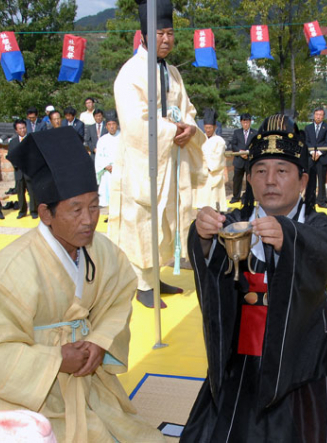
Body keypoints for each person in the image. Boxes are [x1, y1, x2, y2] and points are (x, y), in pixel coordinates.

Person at [0, 128, 165, 442]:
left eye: (94, 206)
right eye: (76, 209)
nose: (88, 220)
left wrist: (100, 341)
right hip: (32, 397)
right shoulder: (9, 269)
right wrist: (55, 360)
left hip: (89, 381)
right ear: (46, 213)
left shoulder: (103, 251)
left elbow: (120, 295)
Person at [181, 114, 327, 443]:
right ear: (249, 180)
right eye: (260, 171)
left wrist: (288, 235)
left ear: (302, 180)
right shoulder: (236, 221)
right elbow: (208, 265)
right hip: (240, 360)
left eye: (281, 171)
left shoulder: (317, 226)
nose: (270, 180)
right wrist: (201, 235)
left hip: (296, 364)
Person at [109, 0, 206, 308]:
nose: (166, 39)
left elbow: (187, 110)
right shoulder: (130, 74)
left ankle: (155, 277)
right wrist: (170, 131)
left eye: (170, 33)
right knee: (142, 218)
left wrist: (189, 127)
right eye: (160, 33)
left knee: (165, 221)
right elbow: (134, 122)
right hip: (143, 162)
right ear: (145, 36)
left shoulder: (174, 73)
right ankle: (140, 283)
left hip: (171, 161)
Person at [197, 108, 227, 211]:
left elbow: (218, 158)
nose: (208, 130)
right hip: (202, 174)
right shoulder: (201, 139)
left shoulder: (220, 141)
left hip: (213, 174)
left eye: (210, 127)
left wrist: (208, 167)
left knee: (214, 202)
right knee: (202, 202)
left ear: (214, 127)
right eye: (206, 127)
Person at [8, 119, 38, 219]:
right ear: (16, 130)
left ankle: (34, 210)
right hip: (19, 171)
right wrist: (17, 165)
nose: (23, 130)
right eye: (20, 128)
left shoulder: (31, 140)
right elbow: (11, 156)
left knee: (32, 192)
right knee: (20, 193)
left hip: (29, 171)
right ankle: (22, 211)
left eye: (24, 128)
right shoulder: (13, 142)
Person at [305, 106, 327, 208]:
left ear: (323, 116)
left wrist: (319, 153)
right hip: (311, 157)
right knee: (311, 179)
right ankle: (310, 199)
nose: (318, 117)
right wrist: (312, 152)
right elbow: (306, 141)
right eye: (317, 114)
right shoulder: (308, 128)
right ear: (314, 115)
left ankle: (321, 200)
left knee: (321, 180)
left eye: (321, 115)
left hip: (322, 157)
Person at [228, 113, 257, 203]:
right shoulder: (237, 132)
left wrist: (248, 152)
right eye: (244, 122)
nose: (245, 124)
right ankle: (236, 197)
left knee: (249, 180)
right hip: (239, 160)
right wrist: (240, 152)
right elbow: (233, 144)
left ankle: (248, 197)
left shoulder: (255, 133)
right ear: (241, 122)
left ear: (250, 122)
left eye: (247, 122)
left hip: (249, 160)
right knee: (237, 179)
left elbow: (256, 145)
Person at [94, 111, 120, 207]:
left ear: (117, 125)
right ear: (106, 126)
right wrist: (107, 166)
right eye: (109, 124)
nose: (112, 126)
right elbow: (99, 157)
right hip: (107, 172)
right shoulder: (102, 140)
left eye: (113, 124)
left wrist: (117, 166)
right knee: (108, 198)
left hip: (121, 171)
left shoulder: (123, 138)